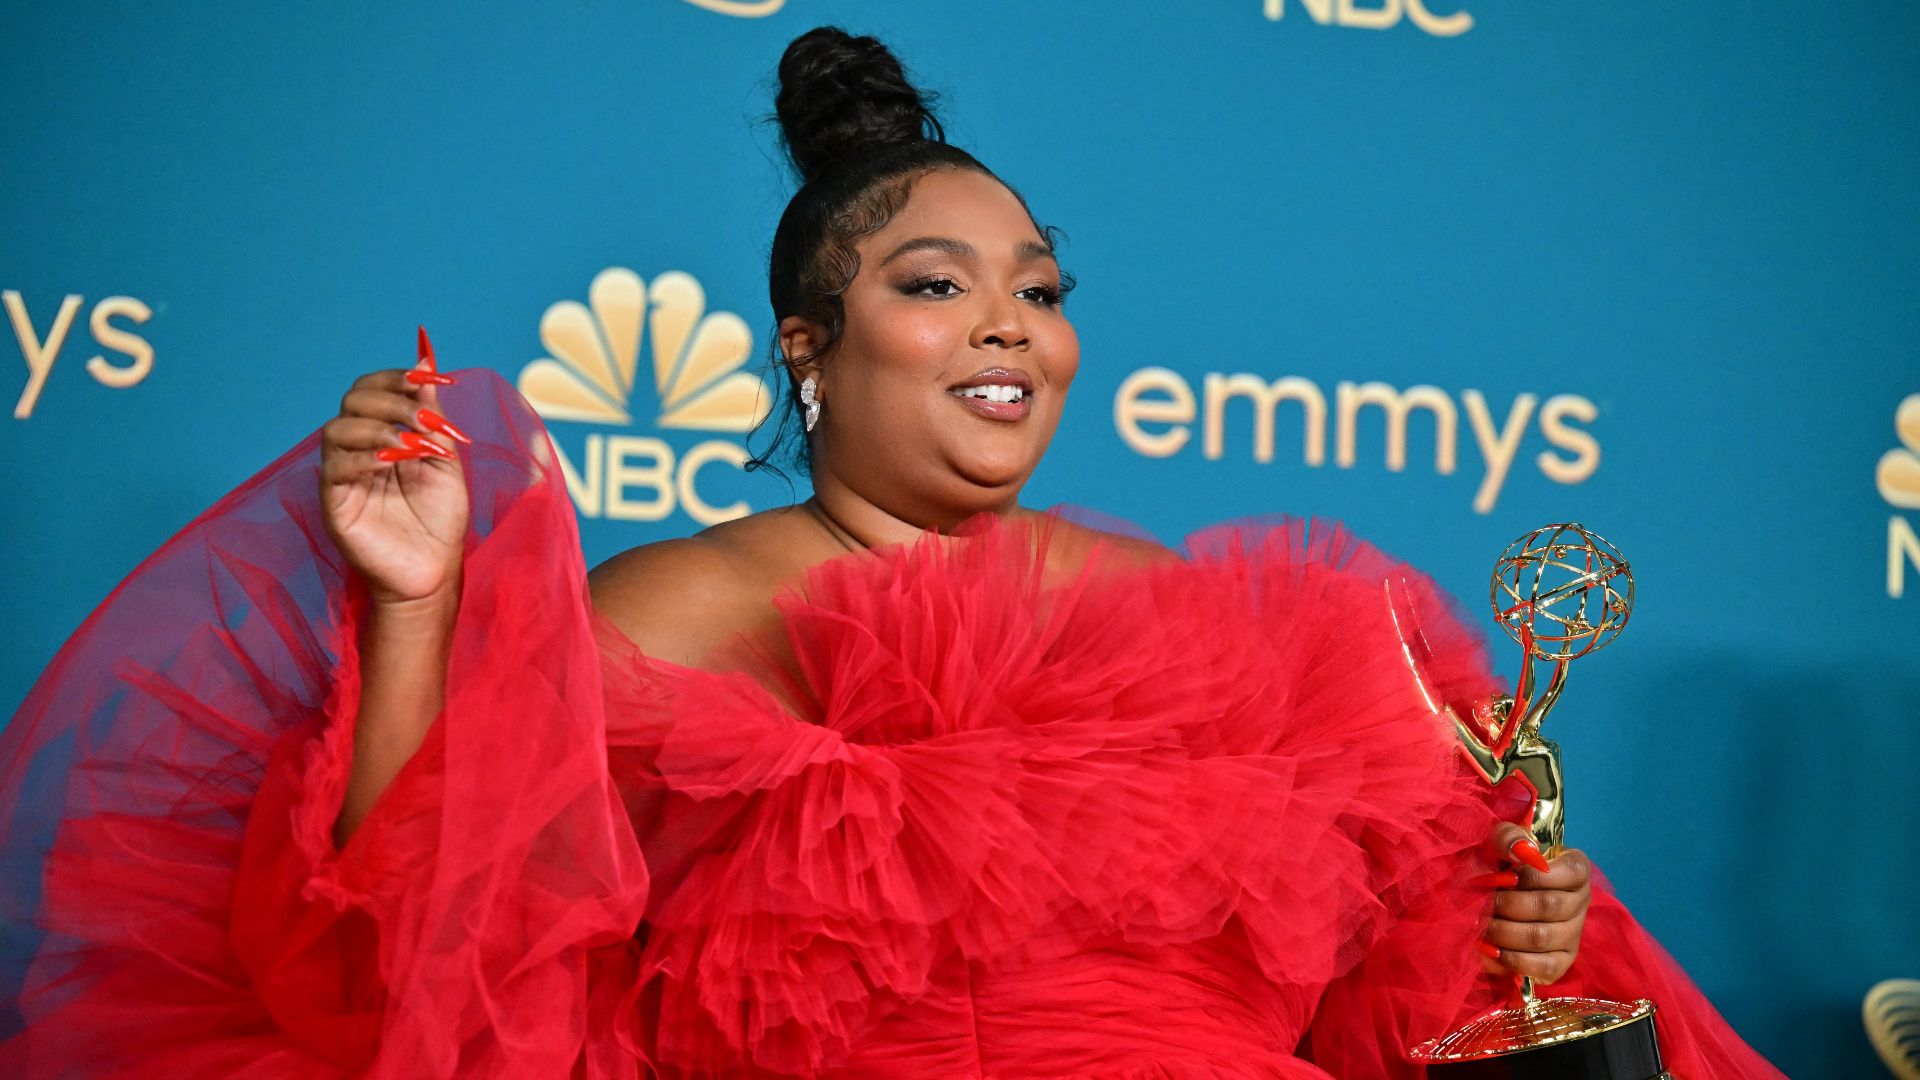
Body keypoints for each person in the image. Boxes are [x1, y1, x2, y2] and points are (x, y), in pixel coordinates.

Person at [0, 26, 1781, 1079]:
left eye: (1041, 292)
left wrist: (1515, 929)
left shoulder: (1183, 616)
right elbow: (428, 979)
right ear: (806, 344)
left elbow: (1401, 970)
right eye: (937, 289)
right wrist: (412, 608)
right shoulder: (678, 610)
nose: (1011, 330)